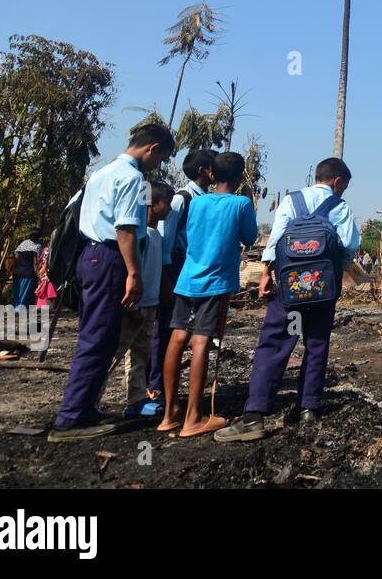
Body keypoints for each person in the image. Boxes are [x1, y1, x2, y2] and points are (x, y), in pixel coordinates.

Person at [216, 158, 358, 443]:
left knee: (274, 343)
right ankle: (308, 408)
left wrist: (267, 275)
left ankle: (255, 415)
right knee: (316, 345)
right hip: (322, 292)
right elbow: (350, 246)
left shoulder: (292, 201)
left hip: (289, 291)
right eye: (344, 186)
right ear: (337, 181)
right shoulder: (339, 207)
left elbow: (276, 239)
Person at [50, 123, 174, 441]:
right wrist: (134, 273)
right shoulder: (132, 178)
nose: (157, 165)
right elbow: (126, 230)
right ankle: (71, 417)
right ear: (152, 148)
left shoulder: (101, 174)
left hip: (89, 257)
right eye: (161, 158)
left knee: (102, 339)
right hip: (108, 258)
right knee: (96, 340)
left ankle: (86, 407)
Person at [159, 152, 256, 438]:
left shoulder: (197, 201)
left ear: (211, 174)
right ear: (240, 177)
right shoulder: (241, 203)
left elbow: (189, 236)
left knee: (177, 338)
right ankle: (194, 417)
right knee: (201, 342)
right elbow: (249, 238)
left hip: (187, 278)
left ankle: (169, 413)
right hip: (215, 282)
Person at [149, 148, 216, 403]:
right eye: (212, 168)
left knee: (183, 331)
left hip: (192, 270)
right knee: (166, 329)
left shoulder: (205, 199)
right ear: (203, 171)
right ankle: (156, 386)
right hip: (175, 270)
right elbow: (166, 243)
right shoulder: (182, 199)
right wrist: (166, 282)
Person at [103, 181, 172, 418]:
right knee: (115, 352)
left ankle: (136, 399)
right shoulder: (138, 235)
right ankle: (89, 398)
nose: (170, 209)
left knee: (140, 354)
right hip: (135, 303)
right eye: (167, 203)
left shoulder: (156, 235)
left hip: (150, 303)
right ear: (153, 204)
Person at [12, 230, 42, 308]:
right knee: (25, 293)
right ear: (38, 237)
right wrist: (39, 276)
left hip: (17, 271)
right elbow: (36, 263)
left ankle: (16, 308)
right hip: (28, 272)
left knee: (17, 292)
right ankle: (20, 310)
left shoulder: (23, 243)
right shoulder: (38, 246)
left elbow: (16, 256)